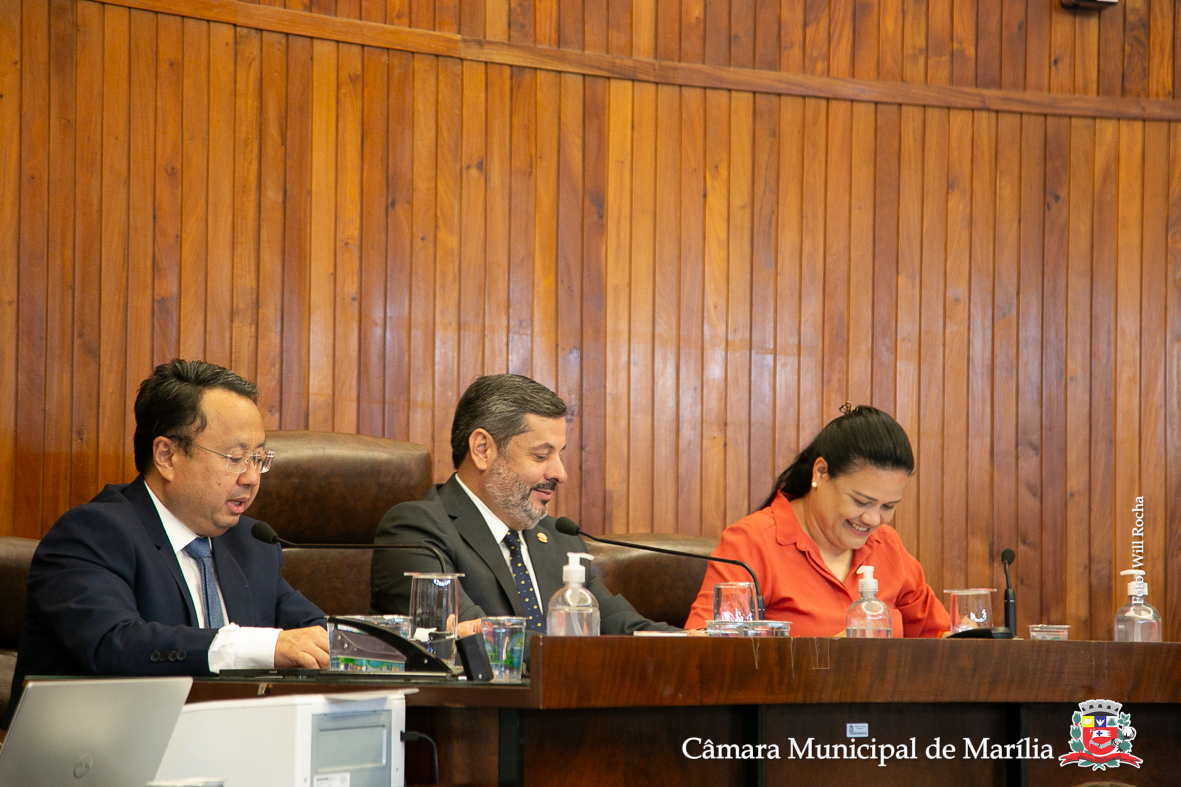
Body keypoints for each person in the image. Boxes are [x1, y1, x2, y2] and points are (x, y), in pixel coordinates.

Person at [3, 360, 328, 729]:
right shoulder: (92, 534)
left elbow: (314, 631)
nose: (252, 478)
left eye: (258, 458)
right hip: (96, 753)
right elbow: (115, 643)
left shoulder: (250, 544)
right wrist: (261, 647)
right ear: (166, 456)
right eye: (235, 458)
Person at [370, 374, 677, 636]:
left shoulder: (559, 538)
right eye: (541, 456)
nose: (560, 473)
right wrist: (577, 656)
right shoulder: (415, 530)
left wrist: (693, 641)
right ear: (482, 449)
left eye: (560, 455)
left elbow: (623, 627)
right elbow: (473, 638)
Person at [684, 404, 950, 636]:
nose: (872, 519)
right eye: (860, 501)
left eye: (888, 507)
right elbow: (705, 651)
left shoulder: (887, 545)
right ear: (821, 472)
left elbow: (942, 637)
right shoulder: (751, 542)